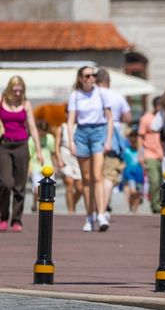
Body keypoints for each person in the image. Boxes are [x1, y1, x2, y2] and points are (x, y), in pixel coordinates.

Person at [0, 76, 45, 232]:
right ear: (9, 89)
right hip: (3, 145)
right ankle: (3, 216)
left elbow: (32, 128)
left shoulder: (26, 104)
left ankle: (16, 220)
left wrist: (39, 151)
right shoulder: (0, 101)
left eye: (20, 90)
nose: (18, 93)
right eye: (15, 90)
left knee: (20, 185)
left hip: (21, 145)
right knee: (5, 182)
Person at [67, 66, 113, 232]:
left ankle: (101, 214)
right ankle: (89, 216)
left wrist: (108, 139)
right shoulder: (75, 95)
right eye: (87, 76)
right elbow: (71, 120)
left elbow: (110, 118)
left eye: (93, 75)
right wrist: (71, 142)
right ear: (80, 78)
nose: (91, 78)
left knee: (97, 175)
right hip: (82, 133)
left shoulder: (101, 93)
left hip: (99, 131)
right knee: (86, 178)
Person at [95, 69, 132, 230]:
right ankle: (103, 209)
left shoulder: (91, 95)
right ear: (108, 81)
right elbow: (128, 117)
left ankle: (96, 209)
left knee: (96, 175)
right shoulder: (116, 96)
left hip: (93, 134)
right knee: (109, 176)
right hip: (113, 135)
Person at [136, 94, 165, 214]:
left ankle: (163, 203)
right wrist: (140, 154)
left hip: (164, 154)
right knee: (154, 180)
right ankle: (155, 205)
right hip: (150, 154)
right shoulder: (146, 118)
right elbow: (140, 137)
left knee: (164, 182)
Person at [27, 120, 57, 213]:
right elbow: (29, 156)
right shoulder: (31, 140)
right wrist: (29, 169)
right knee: (37, 190)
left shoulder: (50, 138)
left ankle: (49, 206)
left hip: (48, 167)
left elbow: (53, 153)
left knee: (50, 189)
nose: (43, 134)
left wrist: (55, 166)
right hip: (36, 167)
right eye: (42, 132)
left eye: (45, 132)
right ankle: (35, 203)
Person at [55, 119, 83, 214]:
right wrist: (59, 159)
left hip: (77, 158)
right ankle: (70, 211)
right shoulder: (62, 128)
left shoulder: (80, 126)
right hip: (65, 156)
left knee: (80, 187)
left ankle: (72, 203)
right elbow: (57, 146)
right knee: (69, 183)